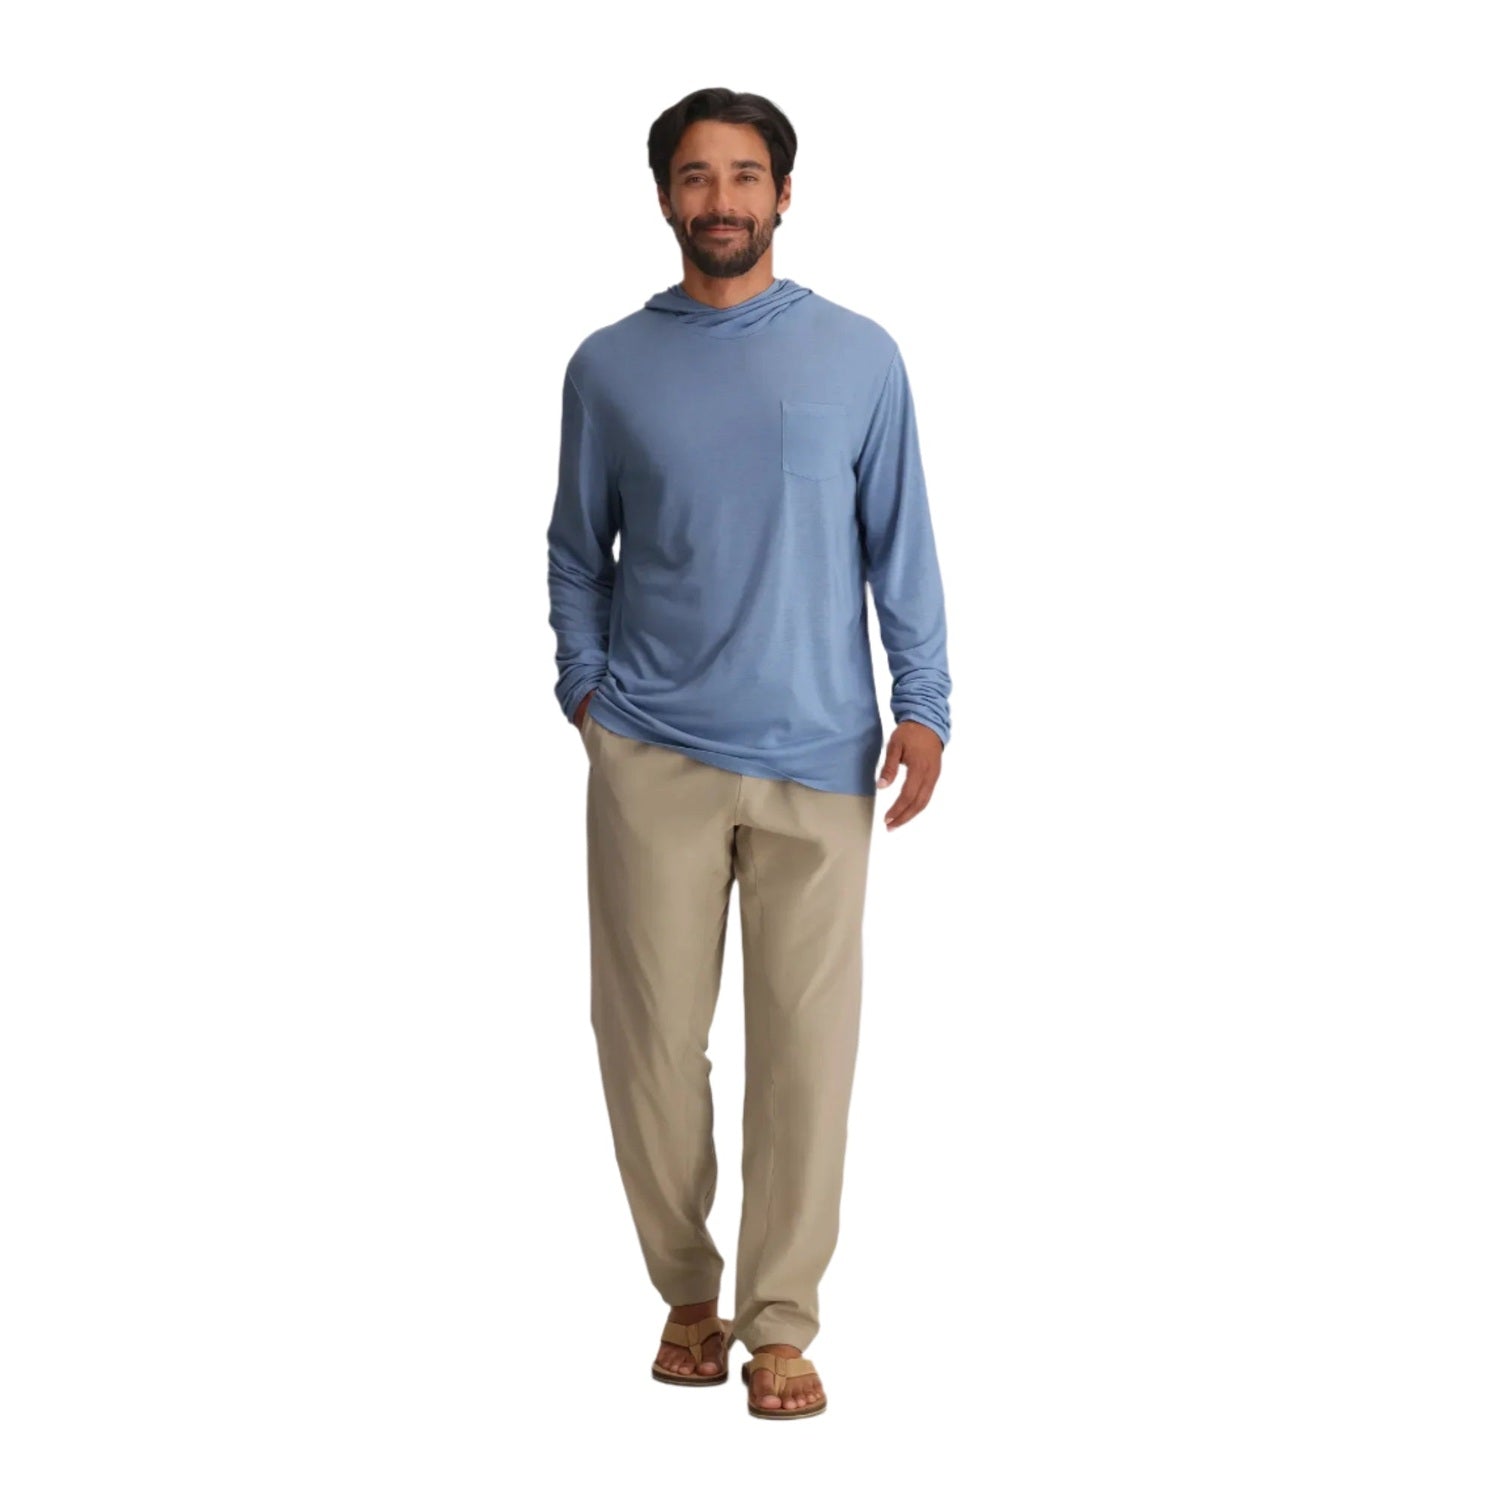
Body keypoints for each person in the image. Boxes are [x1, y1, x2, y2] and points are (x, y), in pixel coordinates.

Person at [545, 86, 952, 1420]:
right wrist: (588, 693)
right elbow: (577, 551)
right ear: (665, 195)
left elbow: (901, 543)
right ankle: (687, 1294)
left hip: (820, 757)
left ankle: (780, 1324)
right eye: (695, 176)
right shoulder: (608, 367)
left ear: (784, 192)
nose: (720, 199)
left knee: (804, 1055)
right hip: (651, 755)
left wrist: (925, 704)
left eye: (743, 174)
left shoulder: (860, 357)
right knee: (648, 1044)